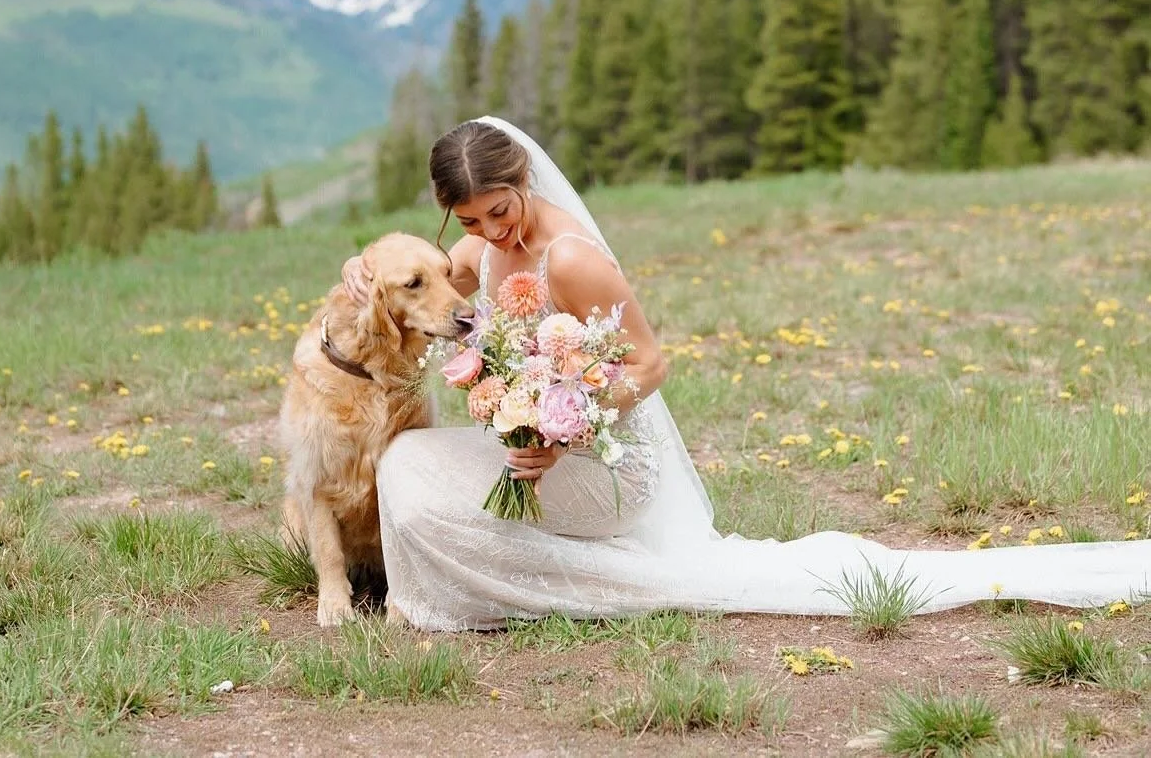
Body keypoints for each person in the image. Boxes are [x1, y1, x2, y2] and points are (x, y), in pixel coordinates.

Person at [344, 116, 1150, 632]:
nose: (489, 233)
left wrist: (564, 428)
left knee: (432, 494)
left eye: (501, 210)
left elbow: (651, 362)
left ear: (523, 181)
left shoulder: (572, 258)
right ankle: (446, 592)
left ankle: (499, 595)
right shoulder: (480, 249)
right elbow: (417, 281)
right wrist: (359, 280)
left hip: (599, 465)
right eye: (473, 221)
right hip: (536, 447)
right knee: (405, 463)